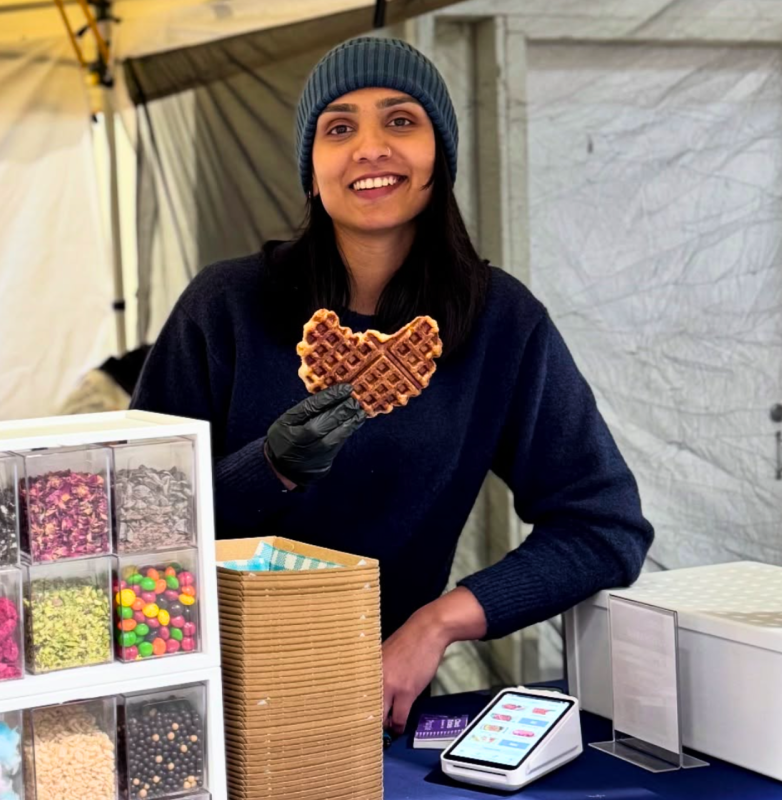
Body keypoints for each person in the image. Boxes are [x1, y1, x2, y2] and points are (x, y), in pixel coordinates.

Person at [130, 36, 654, 734]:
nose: (371, 147)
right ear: (310, 170)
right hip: (203, 695)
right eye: (339, 127)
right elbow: (134, 526)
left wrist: (437, 623)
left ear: (441, 153)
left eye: (400, 121)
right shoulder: (227, 306)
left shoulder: (500, 322)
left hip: (375, 704)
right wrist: (268, 471)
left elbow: (605, 524)